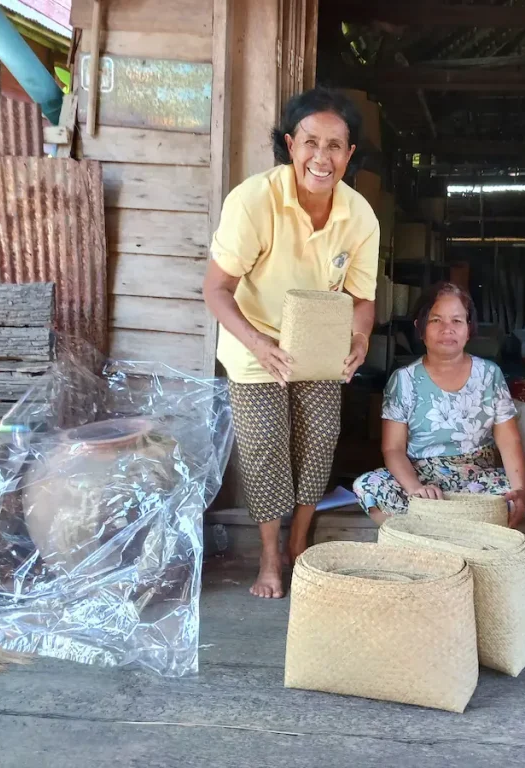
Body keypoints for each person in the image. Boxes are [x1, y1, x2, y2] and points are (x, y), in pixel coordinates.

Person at [203, 88, 378, 599]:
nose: (321, 158)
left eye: (335, 146)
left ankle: (299, 543)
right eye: (310, 142)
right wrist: (258, 344)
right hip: (251, 339)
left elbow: (361, 298)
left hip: (317, 344)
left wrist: (360, 338)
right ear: (290, 144)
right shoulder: (254, 201)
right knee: (263, 447)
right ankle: (269, 556)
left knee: (320, 438)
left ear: (349, 155)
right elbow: (216, 290)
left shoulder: (359, 216)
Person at [353, 283, 525, 527]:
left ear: (469, 329)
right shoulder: (403, 380)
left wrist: (517, 489)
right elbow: (393, 449)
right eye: (436, 321)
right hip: (423, 477)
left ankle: (432, 523)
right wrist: (416, 489)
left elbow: (508, 440)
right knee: (368, 485)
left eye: (457, 321)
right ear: (419, 328)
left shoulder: (488, 375)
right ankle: (434, 527)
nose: (447, 329)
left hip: (477, 480)